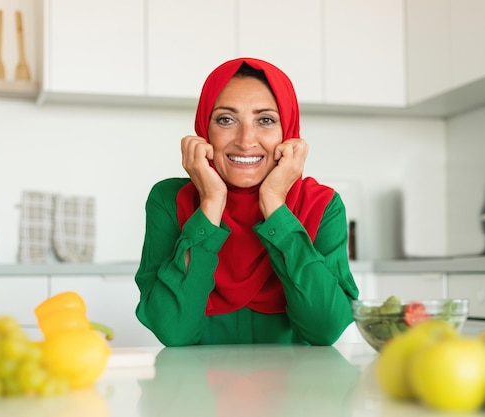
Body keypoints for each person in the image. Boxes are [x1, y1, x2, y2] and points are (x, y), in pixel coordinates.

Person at [135, 57, 358, 346]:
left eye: (265, 120)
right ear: (205, 130)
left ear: (287, 132)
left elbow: (325, 329)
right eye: (226, 120)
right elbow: (174, 332)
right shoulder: (170, 200)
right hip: (195, 389)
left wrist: (275, 204)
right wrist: (211, 202)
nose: (245, 140)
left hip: (299, 389)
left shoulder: (321, 205)